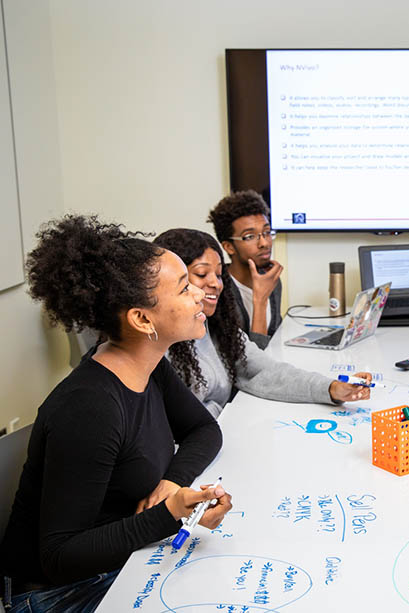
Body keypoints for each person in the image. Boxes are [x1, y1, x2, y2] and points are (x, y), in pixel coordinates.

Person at [0, 216, 232, 612]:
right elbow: (59, 556)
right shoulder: (89, 408)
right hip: (52, 593)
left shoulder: (149, 365)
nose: (200, 295)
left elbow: (203, 430)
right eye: (184, 287)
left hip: (122, 563)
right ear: (142, 319)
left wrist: (172, 483)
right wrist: (172, 514)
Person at [153, 229, 372, 417]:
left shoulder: (219, 327)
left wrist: (331, 388)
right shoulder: (160, 346)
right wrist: (232, 413)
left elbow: (266, 371)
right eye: (201, 274)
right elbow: (181, 423)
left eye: (219, 275)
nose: (215, 283)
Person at [207, 189, 284, 349]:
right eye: (250, 236)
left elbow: (275, 341)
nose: (264, 243)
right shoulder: (218, 291)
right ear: (229, 247)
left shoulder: (271, 280)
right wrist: (260, 299)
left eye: (267, 232)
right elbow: (249, 364)